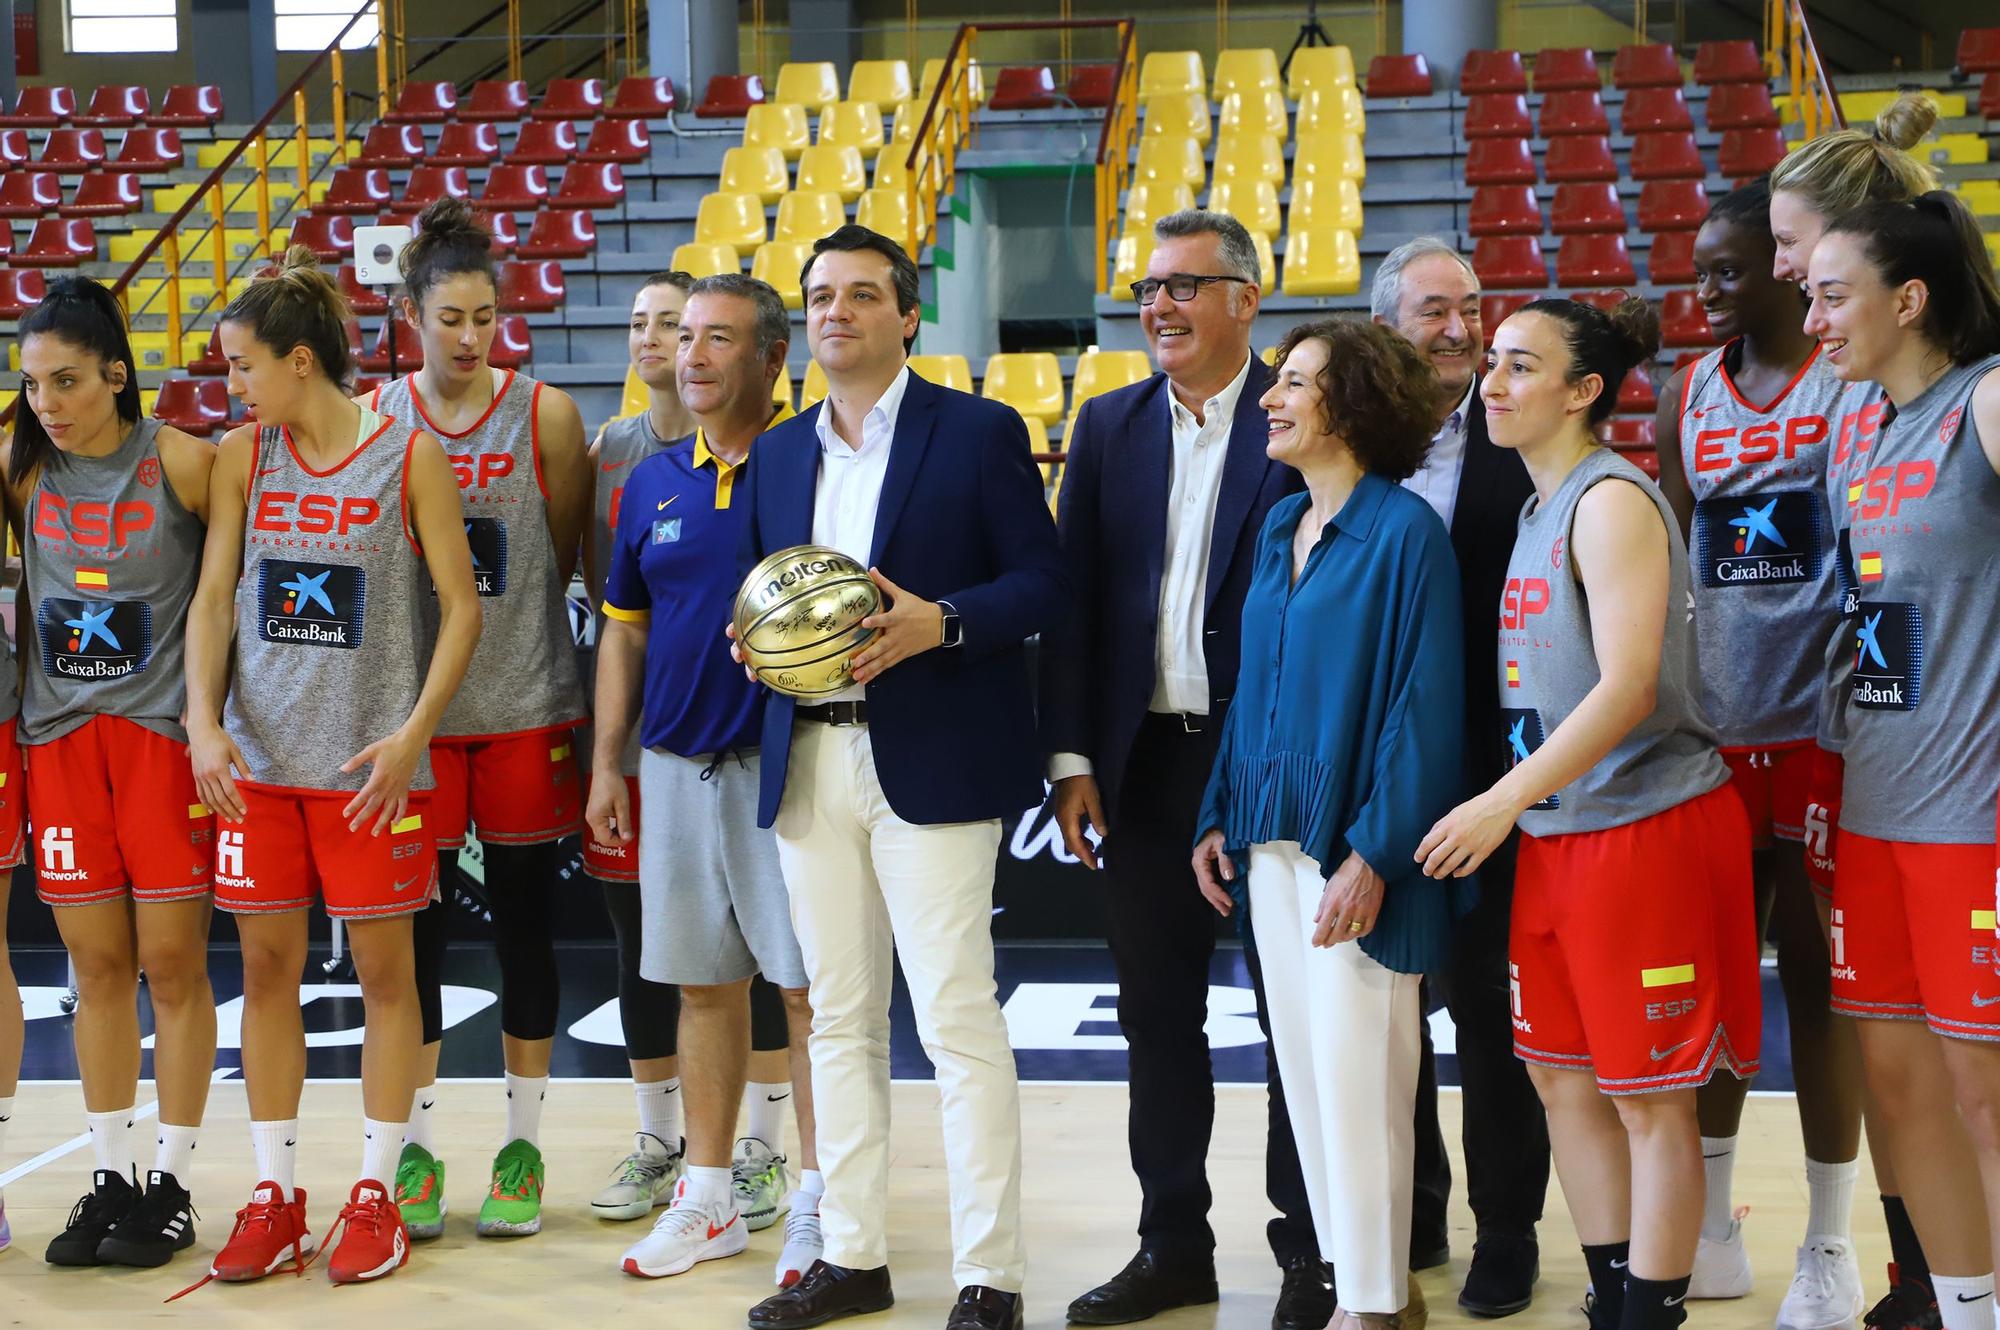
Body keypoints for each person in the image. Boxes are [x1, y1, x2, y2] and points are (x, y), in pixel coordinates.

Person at [731, 224, 1065, 1330]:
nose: (837, 312)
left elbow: (1039, 581)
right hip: (807, 753)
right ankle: (855, 1254)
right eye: (821, 296)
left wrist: (944, 621)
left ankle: (989, 1275)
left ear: (907, 314)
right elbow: (761, 591)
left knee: (958, 1018)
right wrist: (753, 643)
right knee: (837, 1017)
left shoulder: (976, 431)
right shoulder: (778, 453)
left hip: (932, 755)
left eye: (862, 295)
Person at [1418, 297, 1761, 1330]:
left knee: (1648, 1097)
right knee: (1560, 1079)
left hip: (1641, 829)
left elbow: (1623, 686)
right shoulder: (1534, 507)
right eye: (1491, 363)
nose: (1491, 383)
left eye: (1520, 367)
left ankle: (1651, 1311)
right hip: (1556, 832)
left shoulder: (1609, 501)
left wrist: (1495, 800)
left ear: (1582, 392)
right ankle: (1611, 1292)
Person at [1036, 208, 1326, 1330]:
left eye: (1183, 286)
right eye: (1147, 286)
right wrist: (1070, 754)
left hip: (1267, 767)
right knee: (1157, 1017)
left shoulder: (1296, 420)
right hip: (1145, 764)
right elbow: (1070, 607)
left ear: (1245, 302)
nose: (1156, 304)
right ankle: (1172, 1246)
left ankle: (1311, 1252)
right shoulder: (1105, 427)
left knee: (1292, 1018)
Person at [182, 247, 480, 1285]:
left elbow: (463, 606)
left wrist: (412, 735)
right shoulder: (238, 455)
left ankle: (377, 1190)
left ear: (298, 361)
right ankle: (274, 1191)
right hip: (256, 766)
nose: (232, 386)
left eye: (241, 367)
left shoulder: (408, 458)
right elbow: (214, 599)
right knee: (263, 972)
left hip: (368, 770)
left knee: (386, 980)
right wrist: (201, 724)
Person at [1191, 317, 1468, 1330]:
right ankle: (1371, 1297)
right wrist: (1219, 810)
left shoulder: (1405, 535)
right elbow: (1250, 691)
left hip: (1353, 851)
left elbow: (1422, 711)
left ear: (1350, 405)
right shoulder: (1277, 528)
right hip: (1268, 842)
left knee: (1362, 1085)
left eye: (1296, 382)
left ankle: (1372, 1303)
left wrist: (1373, 854)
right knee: (1306, 1082)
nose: (1270, 395)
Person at [1651, 181, 1867, 1326]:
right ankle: (1714, 1223)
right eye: (1699, 270)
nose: (1708, 288)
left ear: (1782, 270)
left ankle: (1829, 1246)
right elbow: (1674, 563)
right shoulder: (1689, 394)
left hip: (1826, 727)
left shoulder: (1849, 378)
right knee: (1720, 981)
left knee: (1823, 984)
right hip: (1719, 732)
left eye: (1727, 267)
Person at [588, 272, 823, 1286]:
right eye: (685, 336)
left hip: (792, 768)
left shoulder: (813, 464)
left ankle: (820, 1198)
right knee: (702, 988)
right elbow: (621, 635)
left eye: (717, 338)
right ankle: (710, 1195)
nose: (690, 355)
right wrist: (608, 759)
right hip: (673, 769)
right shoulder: (649, 481)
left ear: (771, 359)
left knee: (810, 996)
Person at [367, 198, 589, 1241]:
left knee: (528, 936)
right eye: (449, 317)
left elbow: (567, 558)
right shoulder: (376, 418)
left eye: (484, 318)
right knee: (413, 945)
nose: (468, 337)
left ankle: (522, 1145)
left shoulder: (544, 415)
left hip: (520, 711)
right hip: (409, 724)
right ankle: (411, 1147)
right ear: (410, 312)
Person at [1805, 192, 2000, 1330]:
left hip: (1973, 815)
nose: (1813, 317)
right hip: (1877, 805)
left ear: (1908, 299)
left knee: (1985, 1089)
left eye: (1832, 295)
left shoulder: (1984, 401)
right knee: (1899, 1082)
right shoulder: (1863, 424)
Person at [1767, 97, 1947, 1329]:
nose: (1785, 277)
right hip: (1861, 755)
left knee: (1959, 1059)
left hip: (1956, 772)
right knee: (1890, 1048)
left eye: (1797, 251)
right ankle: (1923, 1273)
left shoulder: (1959, 399)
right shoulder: (1848, 417)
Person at [1, 278, 216, 1271]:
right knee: (92, 972)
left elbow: (230, 600)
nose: (47, 399)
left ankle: (170, 1183)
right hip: (57, 742)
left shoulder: (181, 461)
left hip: (159, 744)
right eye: (33, 381)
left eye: (68, 380)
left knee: (170, 968)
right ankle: (111, 1178)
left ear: (116, 375)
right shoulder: (21, 465)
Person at [1371, 236, 1547, 1318]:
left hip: (1492, 777)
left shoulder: (1522, 440)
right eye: (1434, 311)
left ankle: (1508, 1234)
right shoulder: (1349, 444)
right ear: (1386, 324)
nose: (1459, 329)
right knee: (1389, 1013)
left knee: (1484, 1013)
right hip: (1377, 778)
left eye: (1471, 309)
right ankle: (1415, 1207)